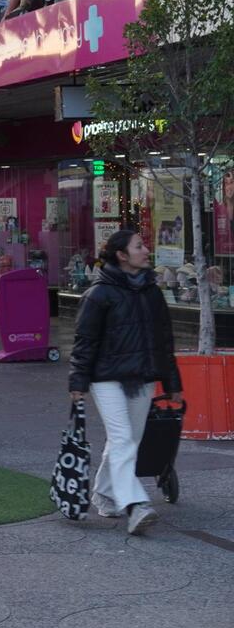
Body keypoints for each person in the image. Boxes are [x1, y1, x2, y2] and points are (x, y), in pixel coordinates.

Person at [70, 229, 183, 536]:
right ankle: (135, 505)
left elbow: (163, 340)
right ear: (122, 255)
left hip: (143, 377)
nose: (146, 250)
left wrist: (172, 381)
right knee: (122, 440)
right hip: (107, 379)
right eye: (139, 246)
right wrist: (78, 381)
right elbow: (85, 341)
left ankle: (104, 494)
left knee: (128, 442)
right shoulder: (99, 294)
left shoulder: (151, 291)